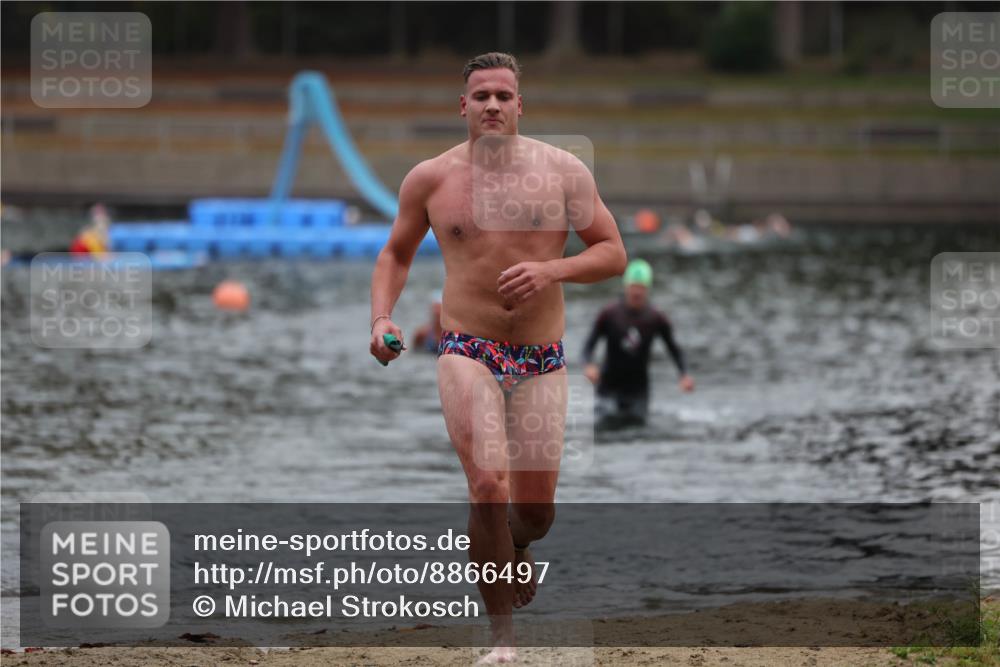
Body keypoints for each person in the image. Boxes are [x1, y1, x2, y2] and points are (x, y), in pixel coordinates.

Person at [369, 52, 627, 663]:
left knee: (535, 514)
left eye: (502, 96)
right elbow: (395, 255)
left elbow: (613, 251)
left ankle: (515, 547)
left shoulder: (564, 173)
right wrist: (381, 317)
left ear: (519, 105)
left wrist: (551, 269)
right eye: (480, 95)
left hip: (541, 356)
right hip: (467, 348)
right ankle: (501, 637)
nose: (491, 105)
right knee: (487, 484)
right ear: (463, 106)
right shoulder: (430, 179)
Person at [583, 259, 694, 429]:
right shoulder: (609, 313)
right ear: (626, 287)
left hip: (638, 389)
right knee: (604, 428)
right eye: (633, 286)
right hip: (608, 386)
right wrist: (589, 365)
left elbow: (674, 349)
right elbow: (589, 345)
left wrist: (684, 374)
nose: (637, 292)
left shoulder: (656, 318)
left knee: (637, 430)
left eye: (641, 287)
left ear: (648, 289)